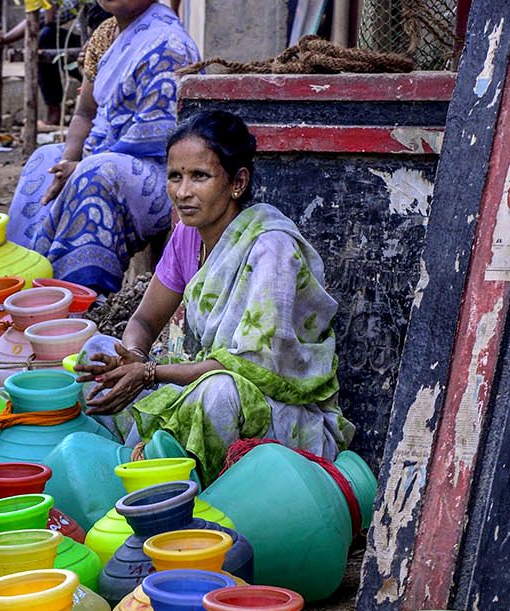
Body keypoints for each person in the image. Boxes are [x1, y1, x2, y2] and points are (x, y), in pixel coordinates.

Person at [76, 110, 354, 484]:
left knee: (216, 393)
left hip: (278, 413)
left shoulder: (271, 249)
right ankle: (128, 477)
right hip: (205, 379)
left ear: (237, 182)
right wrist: (131, 358)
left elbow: (248, 367)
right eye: (175, 176)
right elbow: (144, 321)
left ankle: (188, 500)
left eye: (200, 177)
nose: (183, 192)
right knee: (96, 352)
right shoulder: (188, 235)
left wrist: (148, 373)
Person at [5, 0, 199, 293]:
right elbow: (85, 113)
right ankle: (19, 277)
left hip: (161, 171)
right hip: (108, 154)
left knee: (96, 171)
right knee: (44, 158)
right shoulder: (108, 35)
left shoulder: (167, 45)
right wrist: (66, 164)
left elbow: (155, 140)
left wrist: (83, 164)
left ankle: (73, 299)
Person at [0, 0, 109, 128]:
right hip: (92, 50)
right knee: (47, 37)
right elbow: (45, 19)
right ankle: (54, 112)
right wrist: (0, 41)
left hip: (111, 51)